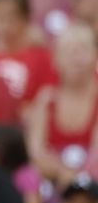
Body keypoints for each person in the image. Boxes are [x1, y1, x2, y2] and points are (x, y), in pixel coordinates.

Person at [26, 24, 98, 189]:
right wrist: (63, 174)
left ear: (95, 56)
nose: (76, 57)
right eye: (69, 51)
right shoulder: (46, 99)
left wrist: (78, 183)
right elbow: (36, 152)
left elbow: (97, 154)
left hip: (94, 185)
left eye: (82, 50)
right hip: (54, 183)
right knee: (29, 178)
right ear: (55, 59)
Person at [0, 0, 56, 112]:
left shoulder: (43, 58)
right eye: (0, 17)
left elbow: (48, 99)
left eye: (12, 17)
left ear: (25, 19)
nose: (5, 25)